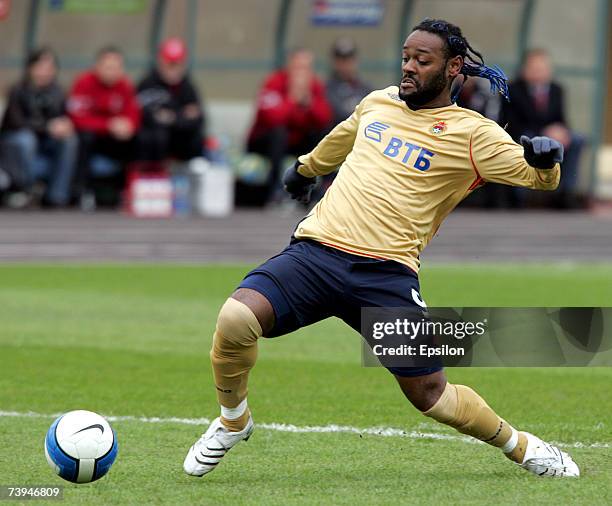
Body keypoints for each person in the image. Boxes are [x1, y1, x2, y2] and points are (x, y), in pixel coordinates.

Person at [183, 19, 578, 479]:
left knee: (431, 394)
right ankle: (234, 422)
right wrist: (306, 169)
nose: (408, 68)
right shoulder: (378, 102)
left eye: (421, 61)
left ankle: (522, 446)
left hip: (385, 276)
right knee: (235, 318)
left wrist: (547, 161)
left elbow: (536, 177)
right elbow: (343, 136)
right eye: (406, 58)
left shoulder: (474, 134)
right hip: (316, 254)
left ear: (453, 68)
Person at [246, 48, 332, 205]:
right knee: (279, 134)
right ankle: (274, 190)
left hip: (297, 142)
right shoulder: (274, 82)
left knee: (322, 135)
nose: (302, 74)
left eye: (306, 68)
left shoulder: (315, 86)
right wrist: (292, 99)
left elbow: (324, 118)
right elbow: (271, 117)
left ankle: (322, 189)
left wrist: (309, 104)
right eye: (298, 67)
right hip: (265, 142)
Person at [500, 48, 583, 208]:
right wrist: (544, 132)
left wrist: (562, 131)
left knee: (577, 139)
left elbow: (561, 119)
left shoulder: (557, 89)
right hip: (525, 133)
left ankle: (565, 193)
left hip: (552, 134)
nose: (539, 72)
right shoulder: (512, 89)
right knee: (526, 139)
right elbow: (512, 123)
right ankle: (519, 196)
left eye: (543, 68)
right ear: (524, 69)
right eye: (534, 68)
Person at [0, 47, 77, 207]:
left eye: (49, 68)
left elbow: (65, 116)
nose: (45, 72)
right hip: (17, 139)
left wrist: (65, 125)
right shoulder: (18, 90)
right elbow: (15, 122)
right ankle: (26, 189)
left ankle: (57, 195)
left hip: (47, 141)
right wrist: (47, 127)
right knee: (26, 140)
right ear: (30, 68)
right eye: (40, 67)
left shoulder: (58, 92)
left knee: (70, 140)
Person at [68, 46, 141, 208]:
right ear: (97, 66)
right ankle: (79, 191)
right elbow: (77, 117)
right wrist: (108, 125)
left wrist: (128, 125)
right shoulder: (84, 83)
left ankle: (125, 190)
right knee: (85, 138)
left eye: (116, 68)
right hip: (92, 138)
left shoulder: (125, 86)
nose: (112, 72)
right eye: (108, 67)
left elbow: (134, 114)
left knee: (138, 139)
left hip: (114, 139)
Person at [136, 38, 204, 163]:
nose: (173, 69)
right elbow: (142, 115)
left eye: (177, 64)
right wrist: (180, 115)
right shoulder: (148, 83)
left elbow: (197, 118)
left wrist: (172, 117)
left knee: (196, 138)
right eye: (169, 64)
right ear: (161, 62)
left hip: (179, 138)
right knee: (155, 136)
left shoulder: (187, 86)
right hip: (155, 142)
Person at [326, 37, 372, 126]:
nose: (345, 64)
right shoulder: (326, 88)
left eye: (349, 59)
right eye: (341, 60)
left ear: (356, 60)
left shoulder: (366, 88)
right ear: (334, 61)